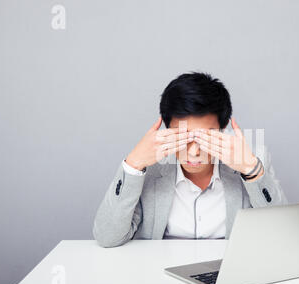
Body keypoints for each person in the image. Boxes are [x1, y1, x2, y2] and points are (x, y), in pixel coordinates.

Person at [93, 72, 287, 247]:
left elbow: (282, 236)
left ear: (223, 127)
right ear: (167, 130)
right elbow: (107, 237)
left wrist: (251, 170)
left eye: (206, 138)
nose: (194, 152)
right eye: (183, 138)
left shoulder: (252, 160)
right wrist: (133, 165)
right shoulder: (149, 164)